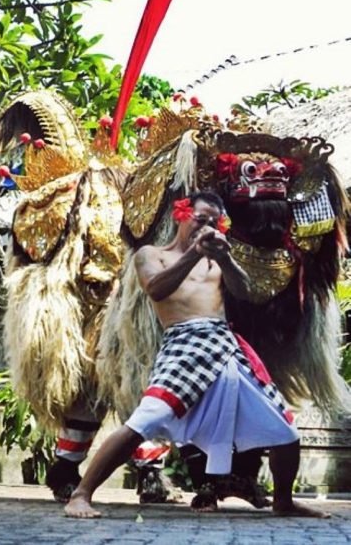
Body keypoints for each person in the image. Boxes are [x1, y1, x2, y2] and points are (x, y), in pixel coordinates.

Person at [64, 191, 328, 519]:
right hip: (183, 345)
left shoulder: (218, 259)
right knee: (144, 421)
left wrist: (226, 259)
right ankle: (80, 494)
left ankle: (283, 501)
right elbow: (156, 289)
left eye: (214, 222)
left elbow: (245, 292)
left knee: (285, 432)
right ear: (182, 214)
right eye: (200, 219)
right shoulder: (151, 255)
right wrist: (193, 254)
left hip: (225, 346)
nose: (206, 227)